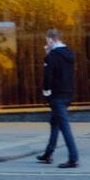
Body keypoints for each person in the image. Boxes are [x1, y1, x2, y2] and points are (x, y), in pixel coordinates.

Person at [35, 29, 79, 168]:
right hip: (68, 93)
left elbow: (48, 76)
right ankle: (48, 153)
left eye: (47, 41)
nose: (46, 44)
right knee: (55, 123)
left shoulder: (53, 55)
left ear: (51, 40)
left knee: (64, 127)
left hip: (56, 95)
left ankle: (73, 158)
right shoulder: (69, 53)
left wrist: (46, 93)